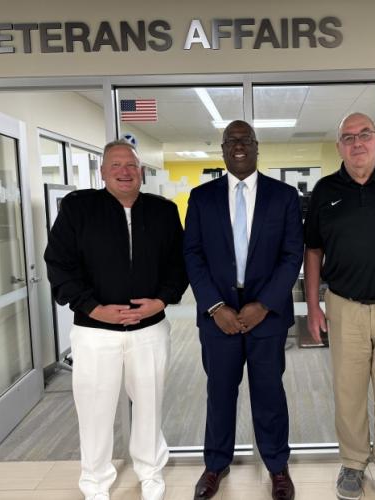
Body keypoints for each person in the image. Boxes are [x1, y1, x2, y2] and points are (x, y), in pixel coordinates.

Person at [44, 139, 188, 500]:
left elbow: (179, 264)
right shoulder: (79, 209)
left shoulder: (163, 211)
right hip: (95, 333)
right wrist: (91, 307)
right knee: (95, 409)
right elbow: (59, 264)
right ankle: (95, 481)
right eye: (116, 165)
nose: (125, 172)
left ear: (141, 171)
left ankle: (150, 471)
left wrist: (161, 301)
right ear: (102, 171)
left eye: (131, 166)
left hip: (149, 330)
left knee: (150, 405)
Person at [304, 112, 375, 500]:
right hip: (344, 306)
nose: (357, 143)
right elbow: (313, 250)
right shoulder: (325, 190)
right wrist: (314, 306)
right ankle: (353, 463)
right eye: (349, 137)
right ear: (339, 146)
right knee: (349, 392)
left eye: (364, 135)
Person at [184, 120, 303, 500]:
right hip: (218, 317)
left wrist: (264, 304)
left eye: (245, 140)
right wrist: (215, 305)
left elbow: (291, 255)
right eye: (231, 140)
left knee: (268, 393)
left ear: (256, 147)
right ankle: (215, 465)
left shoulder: (283, 196)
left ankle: (277, 467)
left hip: (266, 317)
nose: (238, 145)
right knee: (220, 393)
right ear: (222, 149)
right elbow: (193, 255)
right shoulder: (201, 198)